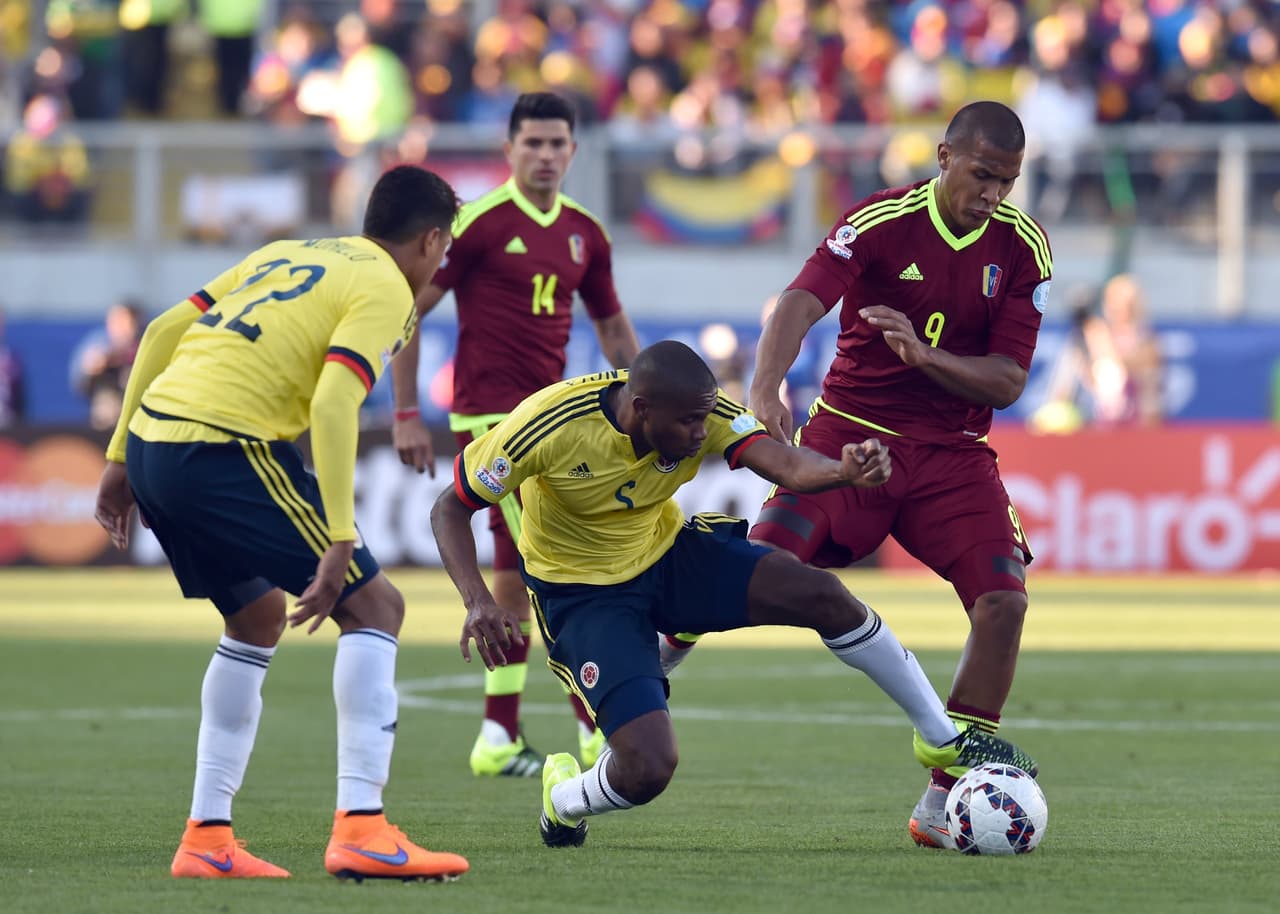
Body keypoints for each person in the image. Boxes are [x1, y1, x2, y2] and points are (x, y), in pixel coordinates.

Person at [430, 340, 1038, 848]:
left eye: (704, 420)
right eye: (688, 424)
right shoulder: (550, 424)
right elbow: (449, 509)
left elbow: (784, 465)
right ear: (641, 411)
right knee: (648, 768)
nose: (701, 434)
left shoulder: (699, 409)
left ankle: (942, 737)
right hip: (585, 597)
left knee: (823, 595)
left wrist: (842, 472)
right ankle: (564, 798)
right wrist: (478, 600)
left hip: (669, 556)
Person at [667, 101, 1053, 851]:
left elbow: (1008, 380)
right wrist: (763, 391)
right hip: (853, 438)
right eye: (981, 176)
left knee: (1004, 602)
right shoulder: (879, 221)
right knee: (765, 563)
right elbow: (798, 302)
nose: (992, 196)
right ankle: (664, 646)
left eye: (1006, 182)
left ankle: (943, 803)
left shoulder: (1023, 247)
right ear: (944, 156)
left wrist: (925, 358)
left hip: (953, 456)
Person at [91, 165, 470, 882]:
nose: (439, 264)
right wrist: (338, 536)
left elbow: (166, 329)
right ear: (428, 241)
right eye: (443, 251)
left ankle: (206, 838)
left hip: (153, 439)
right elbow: (333, 405)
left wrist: (118, 457)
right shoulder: (389, 288)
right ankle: (362, 826)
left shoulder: (291, 251)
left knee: (257, 617)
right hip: (221, 445)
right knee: (377, 607)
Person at [391, 91, 641, 778]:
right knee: (557, 566)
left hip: (553, 424)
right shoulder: (474, 223)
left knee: (514, 573)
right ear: (508, 150)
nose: (545, 155)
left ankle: (499, 737)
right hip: (489, 423)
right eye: (532, 143)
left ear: (573, 151)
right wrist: (407, 412)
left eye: (557, 143)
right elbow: (408, 311)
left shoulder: (586, 232)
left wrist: (647, 406)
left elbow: (613, 330)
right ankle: (595, 729)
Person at [70, 298, 144, 431]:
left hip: (138, 422)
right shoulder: (98, 342)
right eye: (116, 320)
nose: (120, 326)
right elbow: (80, 379)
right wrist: (101, 362)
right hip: (105, 422)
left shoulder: (144, 346)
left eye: (125, 321)